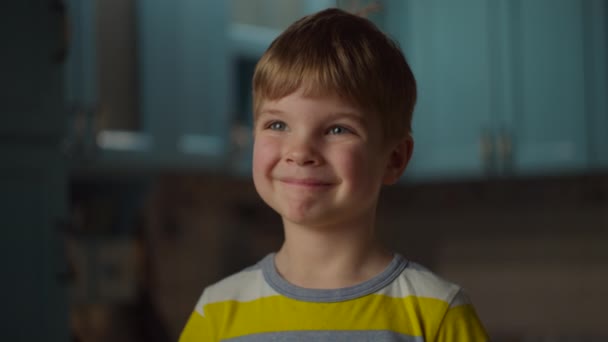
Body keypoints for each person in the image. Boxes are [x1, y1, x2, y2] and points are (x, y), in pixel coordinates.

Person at [180, 7, 489, 341]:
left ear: (394, 159)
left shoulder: (438, 313)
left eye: (338, 129)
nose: (300, 152)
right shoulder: (216, 311)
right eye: (278, 124)